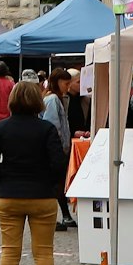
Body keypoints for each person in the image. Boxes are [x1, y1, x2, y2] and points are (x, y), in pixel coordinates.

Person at [0, 79, 67, 265]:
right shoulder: (47, 129)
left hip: (9, 195)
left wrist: (2, 182)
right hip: (42, 196)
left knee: (10, 253)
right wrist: (50, 185)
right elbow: (59, 163)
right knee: (43, 253)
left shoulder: (1, 128)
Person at [42, 70, 77, 230]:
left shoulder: (57, 98)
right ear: (57, 82)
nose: (68, 87)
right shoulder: (52, 99)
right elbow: (52, 126)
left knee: (58, 184)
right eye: (66, 83)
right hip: (55, 150)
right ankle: (62, 216)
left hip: (58, 149)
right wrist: (58, 149)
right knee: (56, 184)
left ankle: (66, 216)